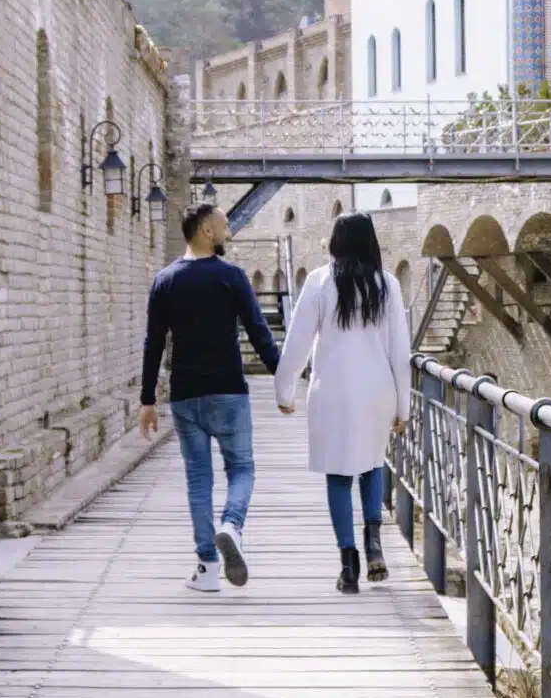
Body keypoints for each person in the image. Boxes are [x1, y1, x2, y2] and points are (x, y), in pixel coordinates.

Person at [140, 202, 281, 594]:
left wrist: (147, 399)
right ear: (205, 229)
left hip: (186, 396)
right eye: (223, 224)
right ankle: (231, 524)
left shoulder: (164, 280)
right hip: (228, 392)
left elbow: (154, 343)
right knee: (242, 469)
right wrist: (285, 382)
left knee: (198, 479)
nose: (228, 231)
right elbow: (259, 333)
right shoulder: (231, 277)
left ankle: (207, 567)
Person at [274, 213, 413, 594]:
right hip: (377, 390)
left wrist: (284, 390)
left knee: (338, 474)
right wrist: (405, 406)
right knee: (371, 463)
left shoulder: (319, 282)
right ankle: (374, 545)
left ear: (335, 241)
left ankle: (348, 565)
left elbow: (297, 341)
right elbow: (401, 351)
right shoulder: (388, 285)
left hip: (332, 391)